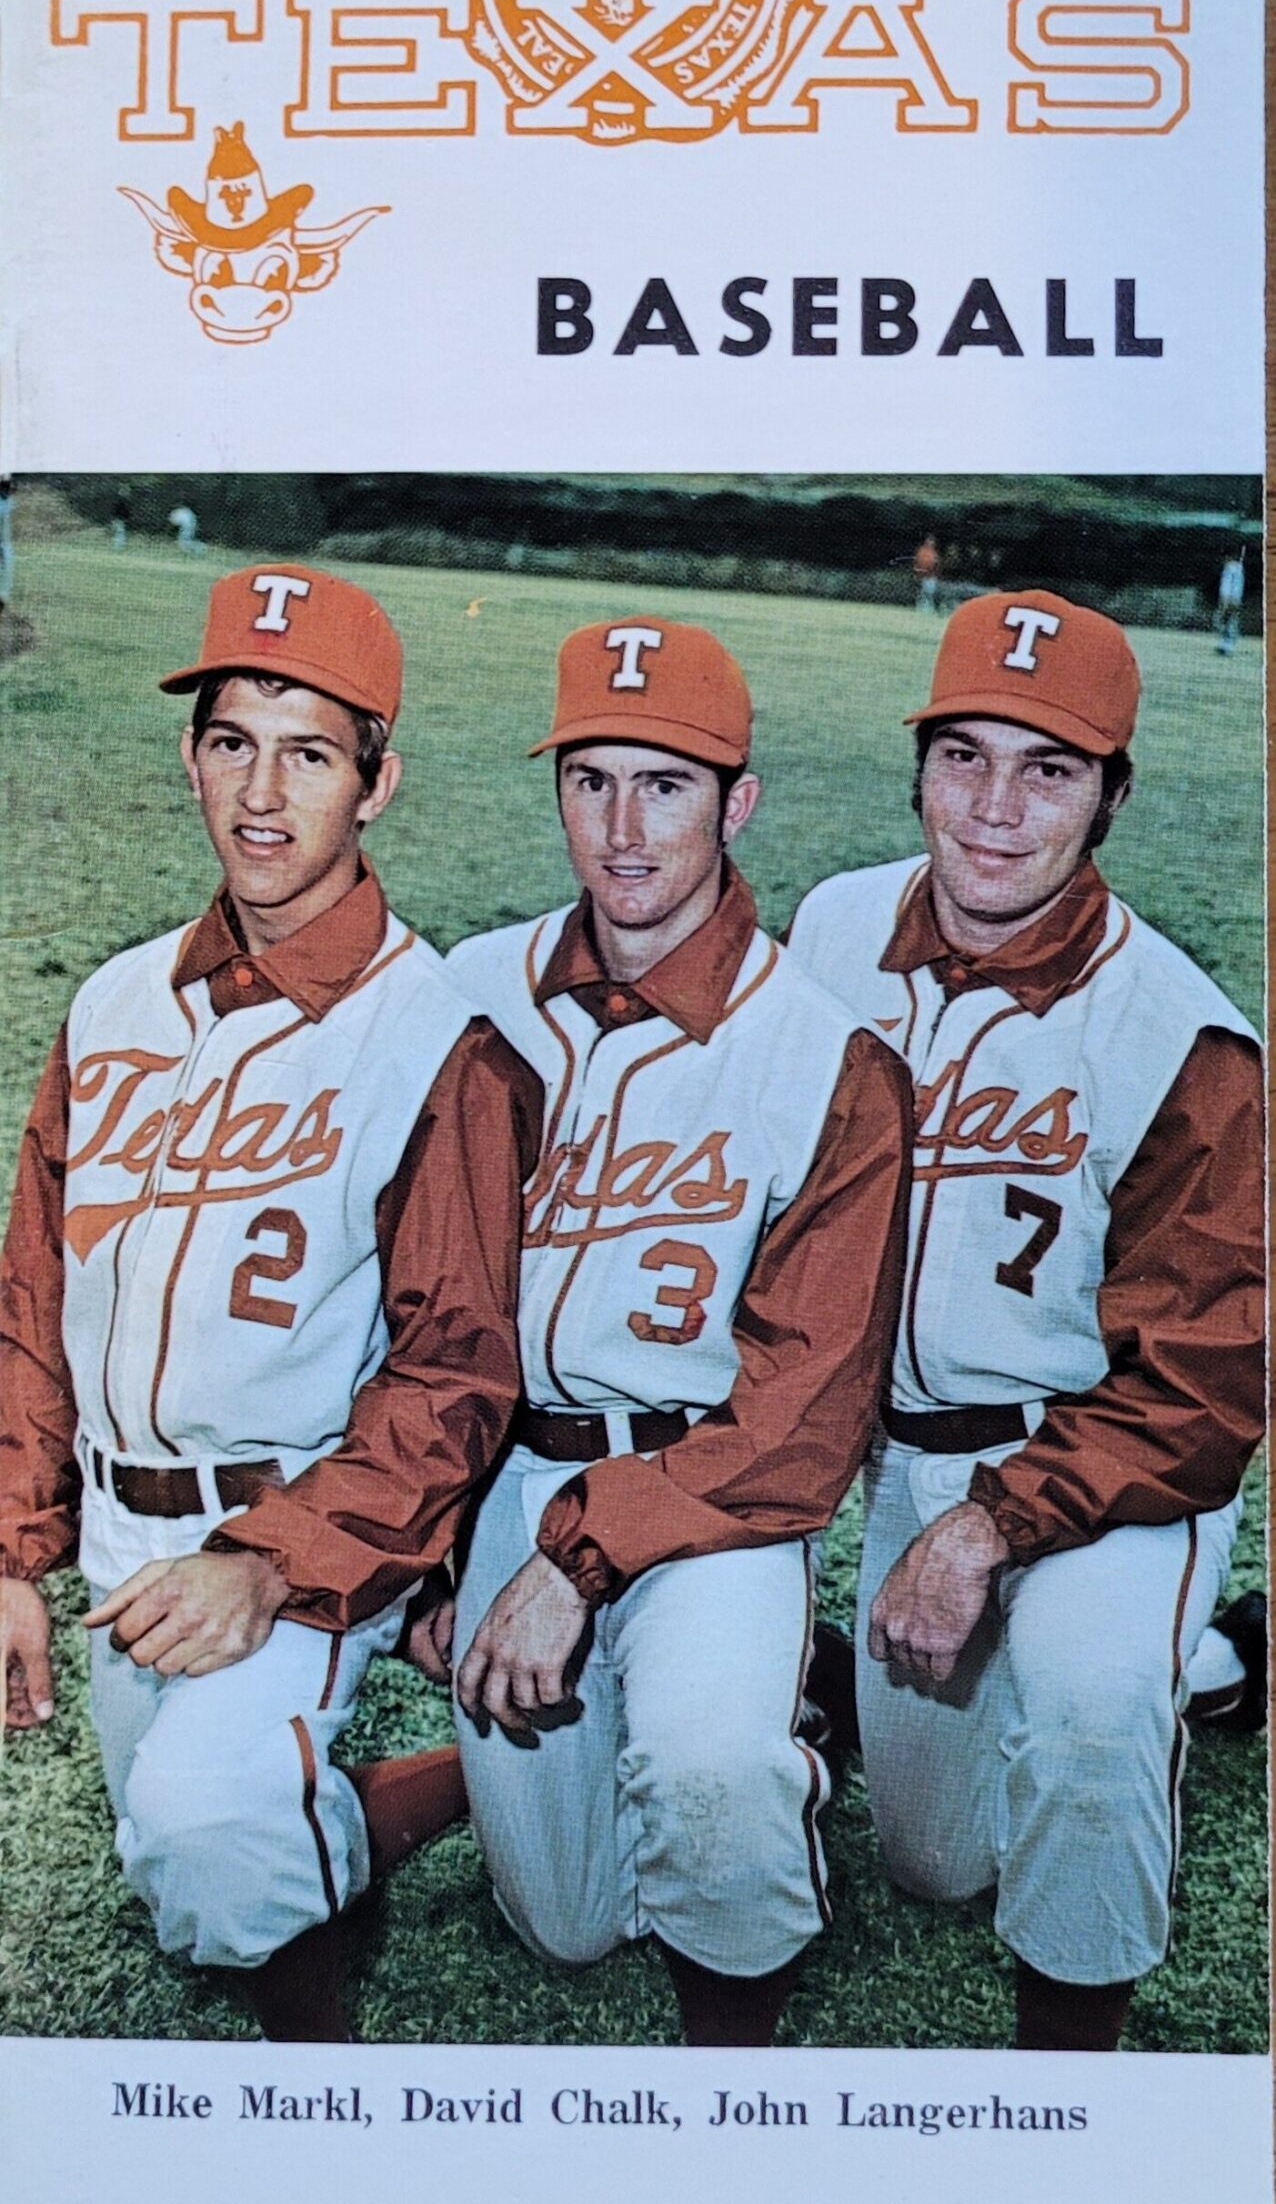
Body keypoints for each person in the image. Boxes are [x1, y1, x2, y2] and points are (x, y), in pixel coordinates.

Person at [0, 561, 538, 2040]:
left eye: (311, 753)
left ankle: (325, 2112)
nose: (261, 791)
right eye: (232, 740)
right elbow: (35, 1297)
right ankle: (383, 1815)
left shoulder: (437, 1039)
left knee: (205, 1832)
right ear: (189, 755)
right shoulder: (113, 1004)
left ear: (378, 784)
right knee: (179, 1860)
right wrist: (10, 1555)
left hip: (303, 1520)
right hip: (120, 1526)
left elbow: (455, 1374)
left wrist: (273, 1564)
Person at [406, 615, 911, 2046]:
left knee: (705, 1778)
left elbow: (806, 1412)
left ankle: (732, 2067)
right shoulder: (471, 994)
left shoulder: (826, 1054)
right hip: (513, 1473)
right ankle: (767, 1703)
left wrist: (578, 1561)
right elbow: (415, 1312)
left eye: (669, 785)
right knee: (568, 1924)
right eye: (591, 779)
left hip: (719, 1493)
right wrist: (434, 1554)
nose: (623, 829)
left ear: (738, 802)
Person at [789, 588, 1265, 2049]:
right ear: (919, 763)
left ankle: (1077, 2099)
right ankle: (1233, 1662)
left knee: (1088, 1721)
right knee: (937, 1868)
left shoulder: (1182, 1038)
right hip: (909, 1464)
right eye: (964, 756)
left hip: (1105, 1468)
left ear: (1113, 795)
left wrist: (988, 1532)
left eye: (1049, 769)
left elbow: (1199, 1390)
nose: (995, 810)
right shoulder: (830, 929)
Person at [1215, 552, 1245, 656]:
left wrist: (1225, 600)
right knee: (1229, 622)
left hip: (1229, 598)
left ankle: (1226, 646)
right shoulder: (1239, 568)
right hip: (1234, 598)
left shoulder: (1230, 568)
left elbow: (1227, 585)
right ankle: (1225, 644)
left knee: (1226, 621)